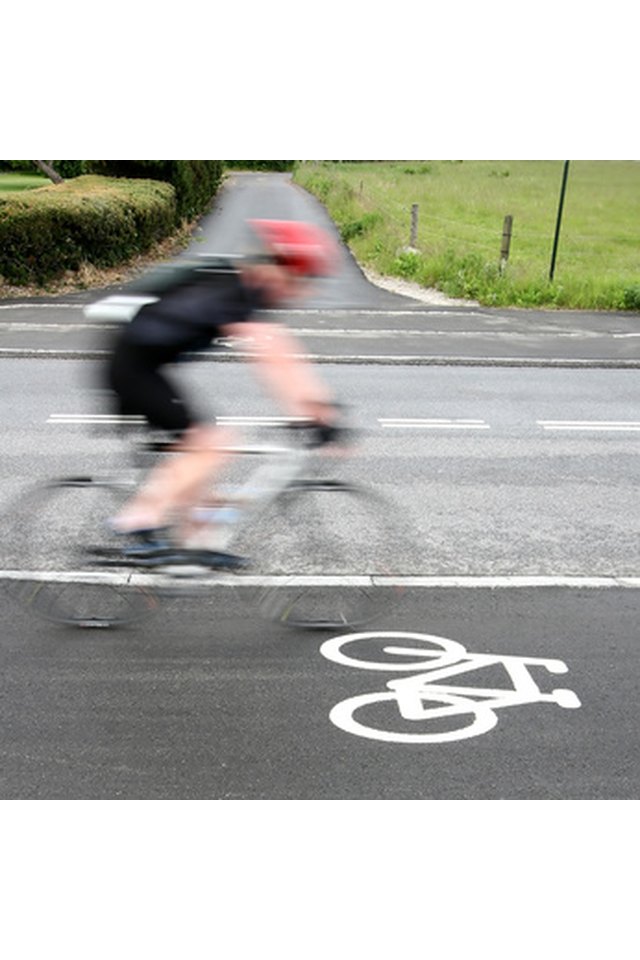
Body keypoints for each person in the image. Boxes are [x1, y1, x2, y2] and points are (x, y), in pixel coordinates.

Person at [100, 218, 344, 567]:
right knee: (211, 444)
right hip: (132, 368)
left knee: (203, 449)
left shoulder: (242, 287)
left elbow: (284, 350)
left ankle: (196, 544)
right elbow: (271, 357)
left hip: (145, 365)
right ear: (282, 270)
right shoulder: (234, 291)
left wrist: (320, 406)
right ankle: (138, 521)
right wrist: (314, 412)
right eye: (299, 282)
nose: (298, 293)